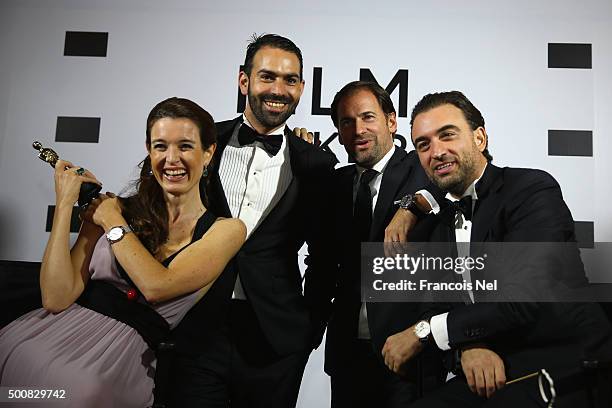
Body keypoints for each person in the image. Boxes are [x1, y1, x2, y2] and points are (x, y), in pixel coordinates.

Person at [0, 97, 246, 407]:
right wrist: (65, 204)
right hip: (36, 342)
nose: (171, 159)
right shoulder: (114, 207)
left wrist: (111, 221)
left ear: (208, 153)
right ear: (148, 150)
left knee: (79, 393)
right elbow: (55, 297)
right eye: (160, 146)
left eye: (185, 146)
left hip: (112, 368)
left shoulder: (226, 230)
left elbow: (157, 286)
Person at [381, 90, 612, 407]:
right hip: (487, 372)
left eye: (447, 135)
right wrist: (467, 346)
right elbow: (437, 304)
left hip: (565, 371)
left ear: (480, 138)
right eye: (424, 144)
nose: (436, 151)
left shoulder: (530, 190)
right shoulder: (437, 223)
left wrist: (423, 333)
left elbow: (522, 299)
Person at [168, 34, 337, 408]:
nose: (279, 89)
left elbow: (325, 258)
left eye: (290, 80)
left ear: (302, 87)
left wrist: (309, 330)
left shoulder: (317, 164)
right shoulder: (201, 142)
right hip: (197, 328)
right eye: (267, 77)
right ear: (244, 81)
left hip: (275, 340)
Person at [323, 81, 443, 408]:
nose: (358, 129)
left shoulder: (422, 167)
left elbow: (444, 191)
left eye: (367, 117)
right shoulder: (336, 185)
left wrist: (412, 207)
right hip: (348, 355)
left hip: (408, 354)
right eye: (347, 122)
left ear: (391, 121)